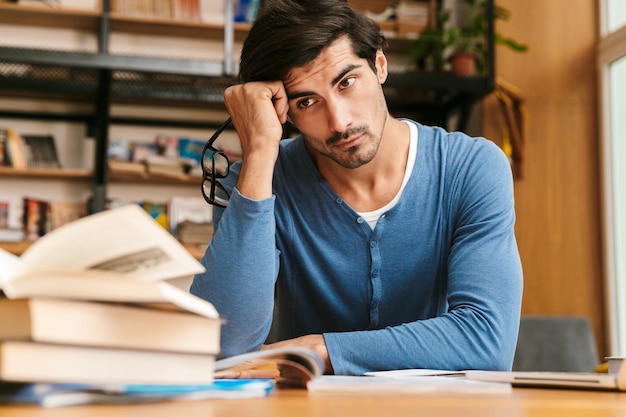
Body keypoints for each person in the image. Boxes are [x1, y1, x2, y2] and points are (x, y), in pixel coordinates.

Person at [191, 0, 523, 376]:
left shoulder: (471, 167)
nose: (339, 122)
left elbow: (486, 341)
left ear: (379, 65)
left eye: (346, 83)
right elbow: (225, 348)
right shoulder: (256, 179)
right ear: (282, 110)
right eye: (307, 101)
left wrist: (321, 348)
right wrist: (261, 150)